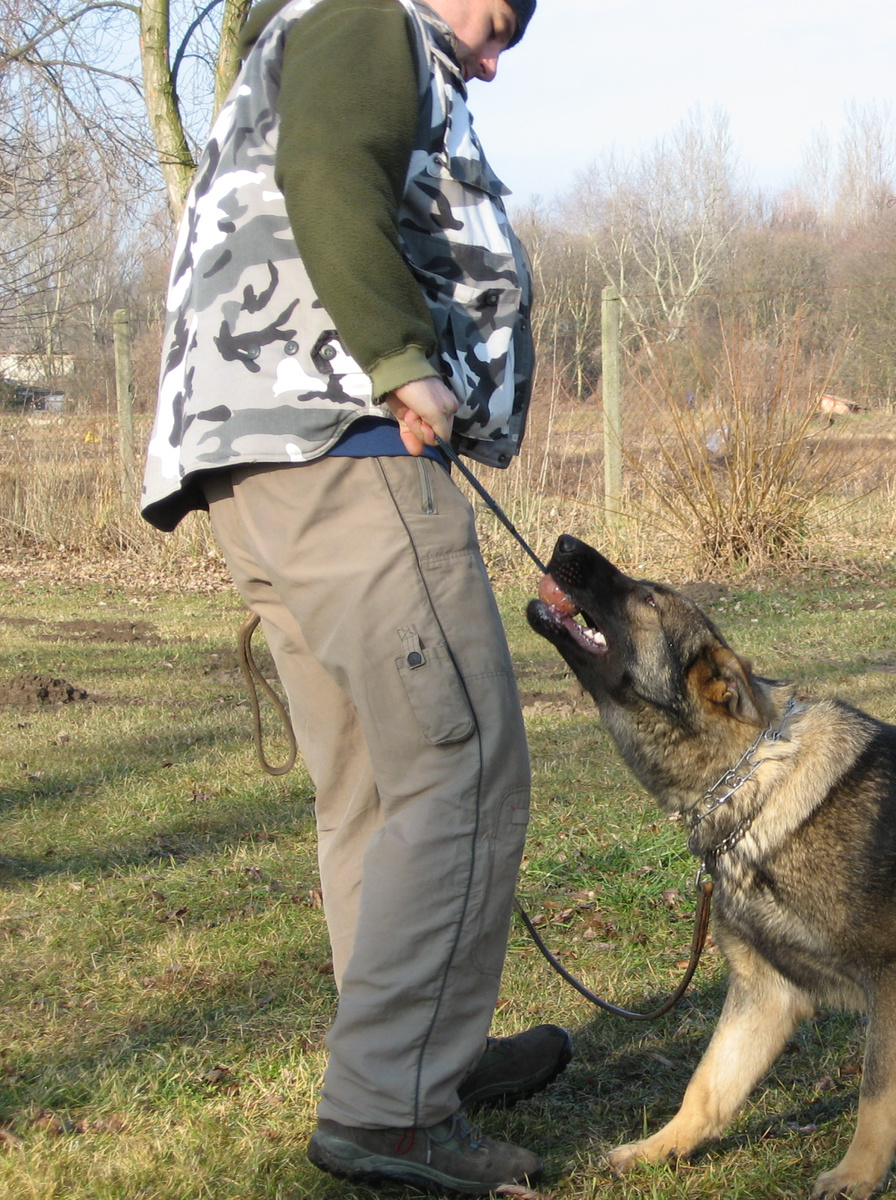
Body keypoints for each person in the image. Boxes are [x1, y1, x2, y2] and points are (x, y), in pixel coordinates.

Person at [138, 0, 569, 1191]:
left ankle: (413, 1053)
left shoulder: (312, 30)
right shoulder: (367, 22)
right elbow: (330, 168)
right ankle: (392, 1106)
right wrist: (403, 360)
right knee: (461, 761)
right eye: (497, 24)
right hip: (352, 449)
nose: (492, 57)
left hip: (269, 465)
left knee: (373, 784)